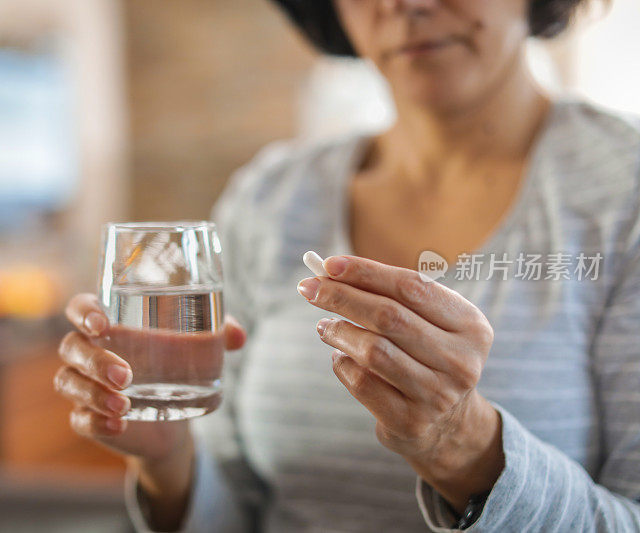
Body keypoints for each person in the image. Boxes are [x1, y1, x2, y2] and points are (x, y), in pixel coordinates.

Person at [54, 0, 640, 530]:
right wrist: (169, 458)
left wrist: (465, 448)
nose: (404, 5)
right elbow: (239, 510)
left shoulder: (623, 195)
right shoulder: (269, 200)